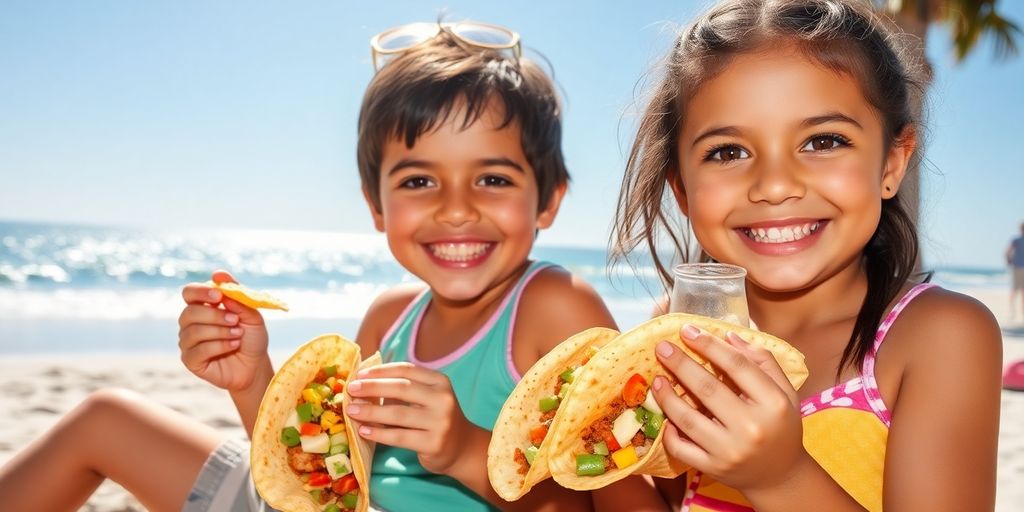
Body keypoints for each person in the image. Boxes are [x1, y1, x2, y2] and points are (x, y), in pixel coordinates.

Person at [0, 20, 666, 512]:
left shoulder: (556, 308)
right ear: (376, 206)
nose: (456, 209)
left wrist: (466, 450)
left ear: (548, 200)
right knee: (105, 418)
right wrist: (251, 379)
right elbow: (322, 483)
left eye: (492, 179)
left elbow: (612, 500)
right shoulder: (388, 318)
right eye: (418, 182)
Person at [610, 1, 1002, 510]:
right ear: (681, 188)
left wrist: (780, 478)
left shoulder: (941, 336)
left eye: (823, 141)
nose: (775, 186)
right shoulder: (682, 329)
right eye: (728, 152)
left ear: (892, 163)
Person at [1007, 221, 1024, 321]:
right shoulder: (1016, 240)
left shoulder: (1016, 240)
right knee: (1021, 291)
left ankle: (1012, 311)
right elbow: (1008, 252)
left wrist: (1009, 261)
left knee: (1014, 290)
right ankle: (1018, 312)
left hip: (1016, 267)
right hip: (1019, 267)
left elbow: (1007, 252)